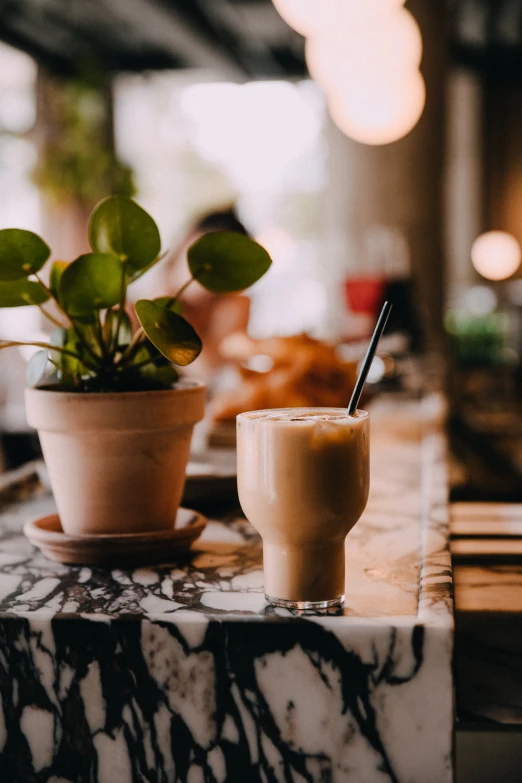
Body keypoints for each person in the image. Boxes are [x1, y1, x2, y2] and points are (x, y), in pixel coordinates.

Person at [135, 207, 252, 384]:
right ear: (184, 245)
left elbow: (212, 373)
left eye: (223, 265)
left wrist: (176, 319)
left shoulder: (231, 307)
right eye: (202, 252)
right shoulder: (130, 312)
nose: (208, 267)